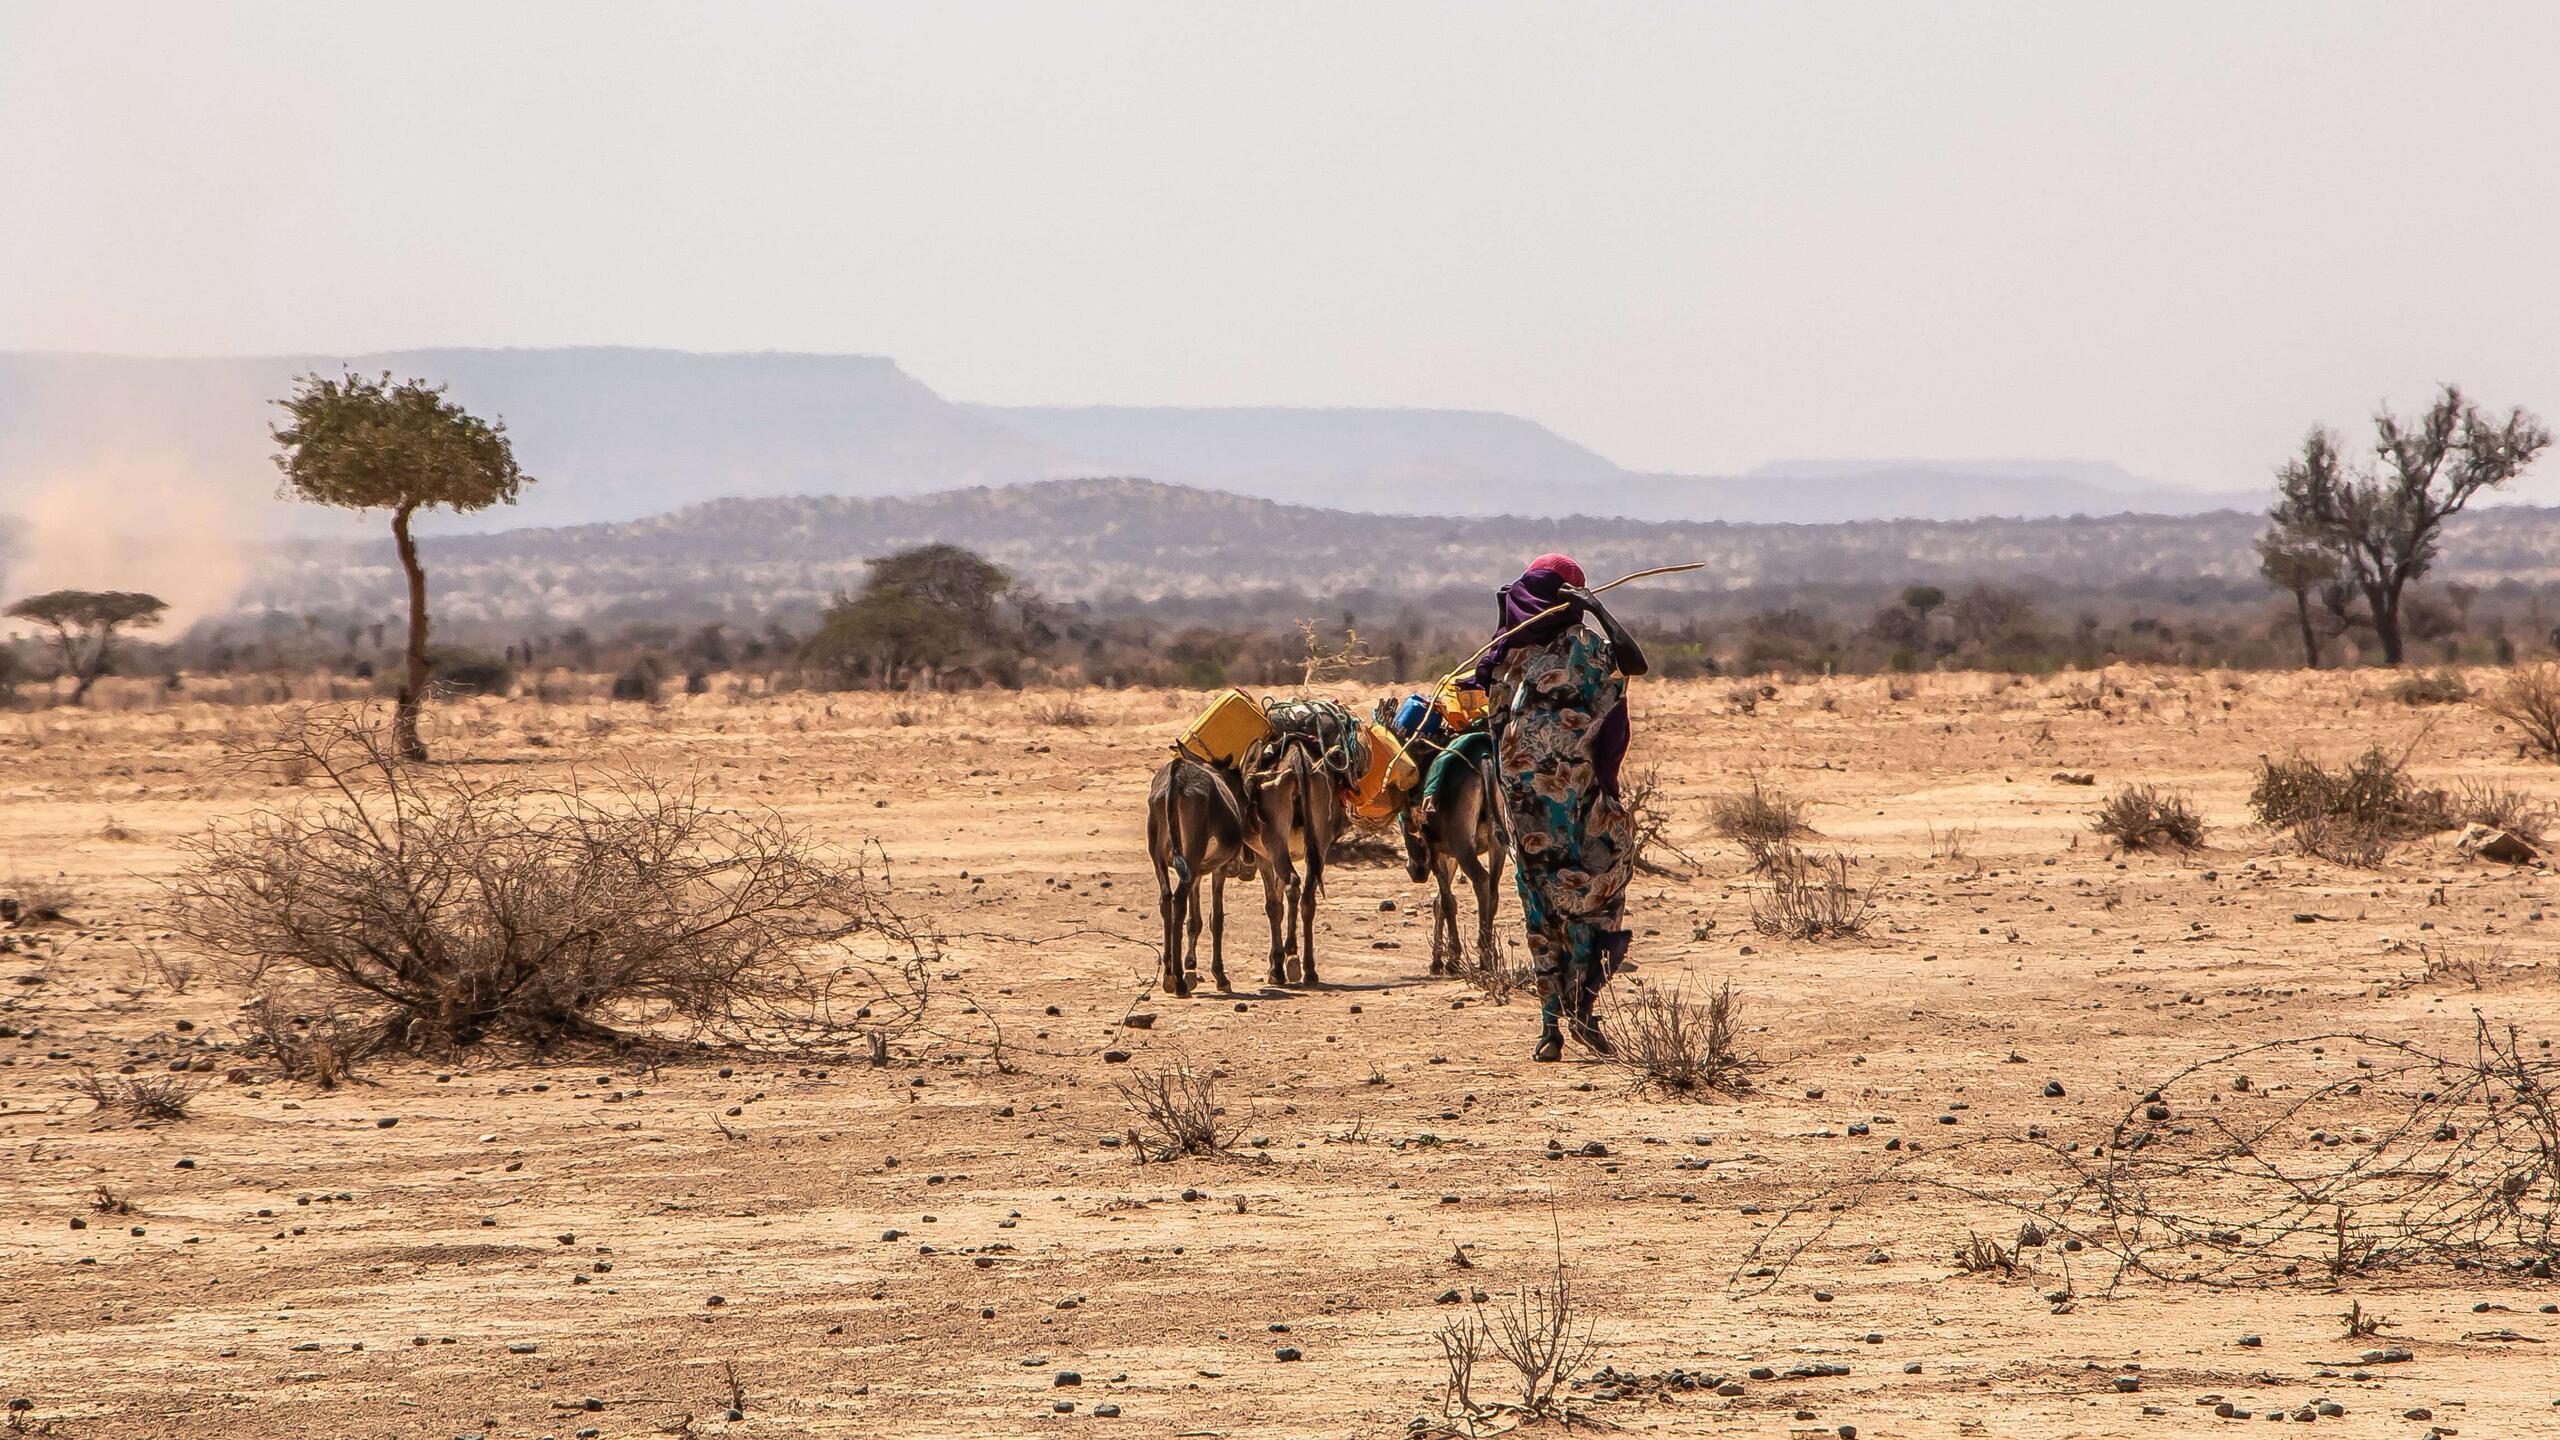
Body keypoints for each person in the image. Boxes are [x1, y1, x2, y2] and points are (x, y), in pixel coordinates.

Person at [1472, 553, 1649, 1062]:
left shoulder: (1501, 655)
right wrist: (1595, 609)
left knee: (1540, 906)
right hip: (1568, 804)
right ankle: (1582, 1009)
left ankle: (1552, 1027)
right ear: (1568, 598)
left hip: (1520, 807)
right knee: (1598, 884)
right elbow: (1633, 662)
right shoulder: (1579, 648)